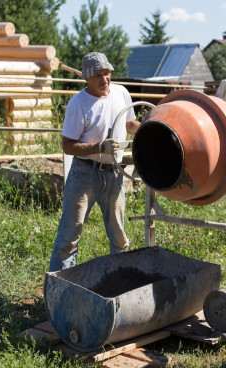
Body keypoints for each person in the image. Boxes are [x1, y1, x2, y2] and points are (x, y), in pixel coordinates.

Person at [49, 52, 140, 272]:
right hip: (84, 174)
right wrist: (99, 147)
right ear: (86, 78)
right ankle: (59, 290)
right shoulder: (78, 104)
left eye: (107, 73)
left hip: (114, 173)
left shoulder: (121, 93)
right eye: (98, 75)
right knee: (69, 237)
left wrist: (151, 130)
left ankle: (119, 285)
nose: (104, 79)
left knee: (119, 236)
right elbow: (68, 146)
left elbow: (130, 125)